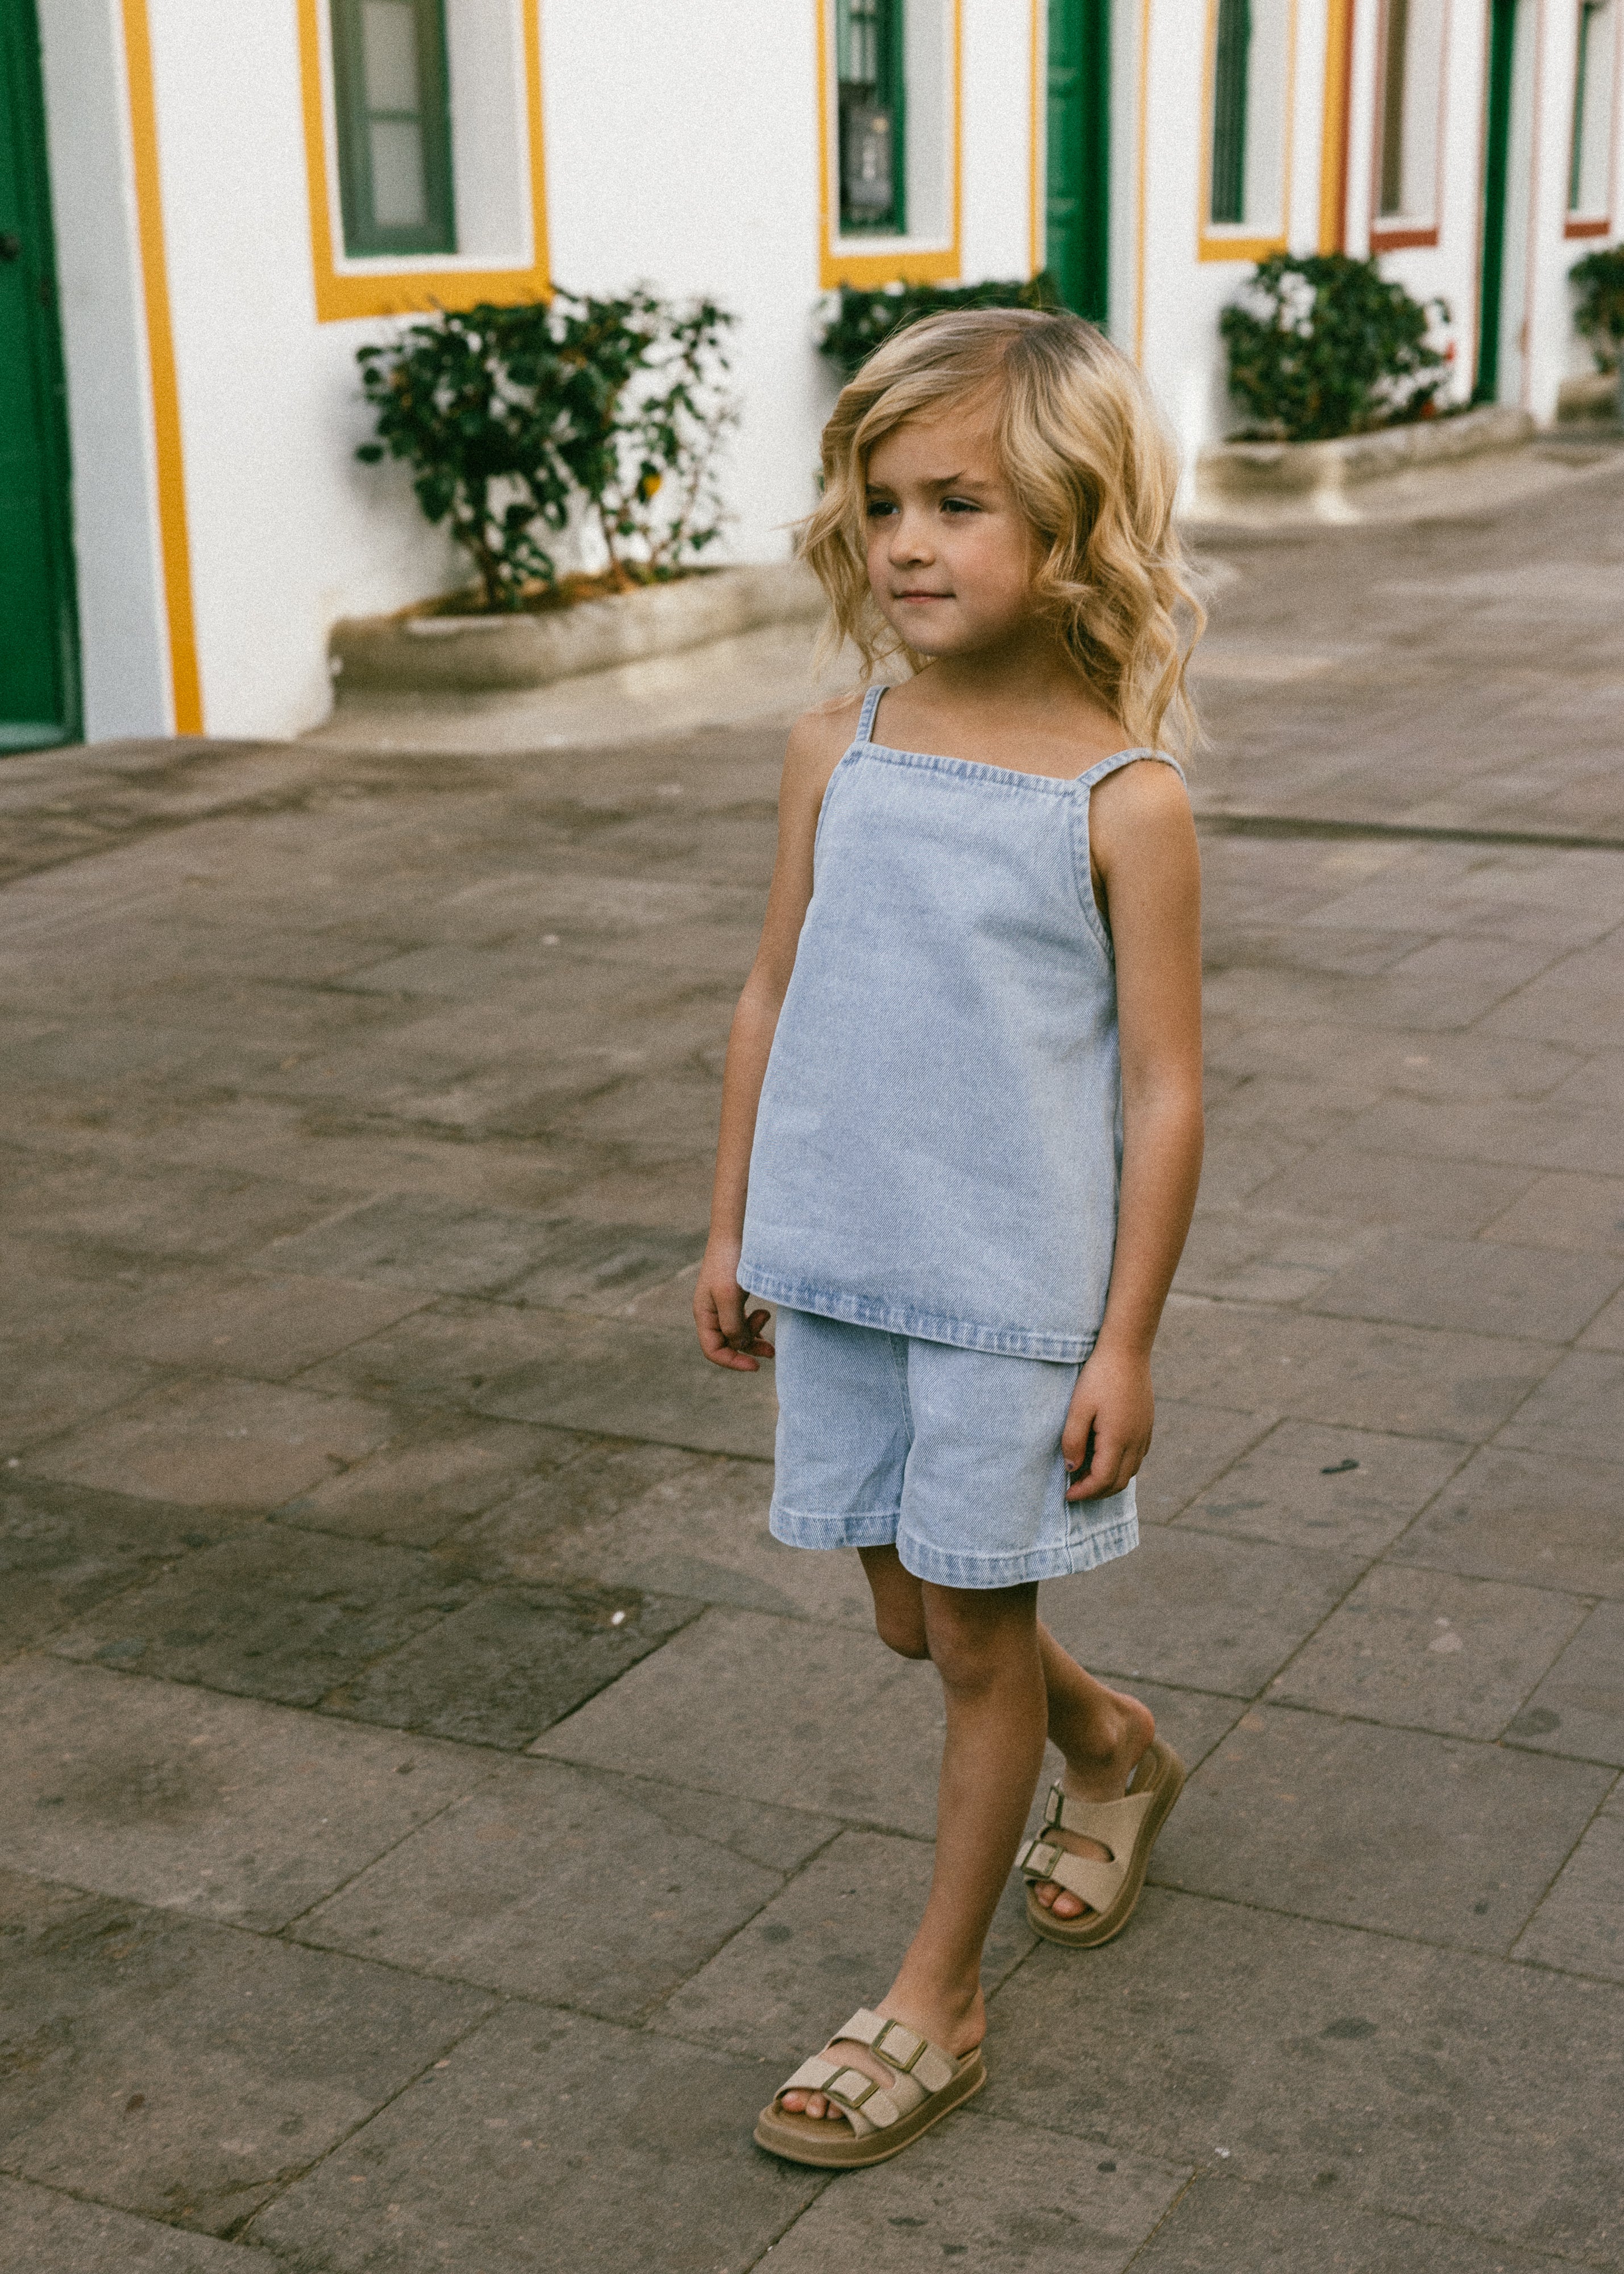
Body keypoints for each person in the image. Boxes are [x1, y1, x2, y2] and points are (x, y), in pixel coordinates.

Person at [693, 308, 1206, 2170]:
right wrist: (733, 1225)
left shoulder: (1121, 803)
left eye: (959, 504)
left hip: (1008, 1296)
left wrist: (1123, 1338)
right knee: (912, 1613)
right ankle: (1113, 1742)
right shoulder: (831, 749)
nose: (905, 542)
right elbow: (771, 989)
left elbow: (1162, 1088)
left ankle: (937, 1998)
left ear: (1074, 530)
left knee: (975, 1632)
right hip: (838, 1264)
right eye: (884, 500)